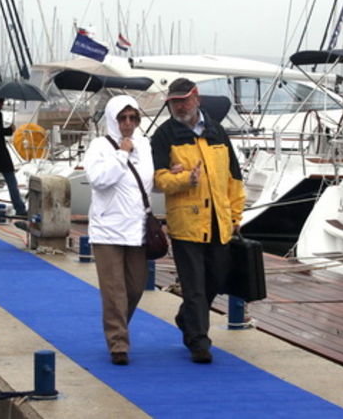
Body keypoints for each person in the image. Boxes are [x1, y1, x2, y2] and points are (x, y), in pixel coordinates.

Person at [150, 78, 245, 363]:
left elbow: (234, 178)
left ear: (197, 98)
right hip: (186, 225)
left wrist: (236, 216)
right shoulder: (164, 135)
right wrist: (183, 179)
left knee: (215, 279)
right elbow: (157, 179)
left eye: (184, 100)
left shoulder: (217, 131)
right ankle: (199, 343)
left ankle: (186, 318)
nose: (179, 106)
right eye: (174, 102)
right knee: (194, 287)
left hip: (219, 222)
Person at [83, 95, 153, 366]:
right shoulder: (99, 146)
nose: (128, 123)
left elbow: (146, 182)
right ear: (113, 119)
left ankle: (118, 326)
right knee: (114, 290)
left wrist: (175, 175)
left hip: (136, 228)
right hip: (108, 229)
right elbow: (100, 180)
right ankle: (118, 343)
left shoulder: (144, 145)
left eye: (133, 118)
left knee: (135, 288)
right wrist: (122, 153)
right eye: (122, 118)